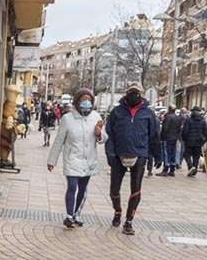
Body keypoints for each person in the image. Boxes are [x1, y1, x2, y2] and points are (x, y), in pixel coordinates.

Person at [103, 83, 161, 235]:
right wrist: (110, 154)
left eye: (137, 92)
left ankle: (129, 221)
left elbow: (154, 136)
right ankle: (117, 211)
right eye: (131, 92)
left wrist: (157, 155)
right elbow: (109, 134)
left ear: (141, 95)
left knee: (136, 189)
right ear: (126, 93)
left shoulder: (148, 113)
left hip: (140, 153)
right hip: (118, 154)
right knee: (114, 189)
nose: (134, 95)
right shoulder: (117, 112)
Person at [47, 89, 104, 229]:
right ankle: (69, 215)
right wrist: (52, 160)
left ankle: (77, 213)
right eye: (83, 99)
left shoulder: (96, 117)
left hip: (88, 158)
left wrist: (99, 134)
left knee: (83, 188)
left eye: (89, 100)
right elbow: (59, 140)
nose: (86, 102)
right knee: (72, 186)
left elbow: (103, 139)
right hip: (72, 157)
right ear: (77, 101)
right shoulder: (68, 118)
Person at [181, 106, 207, 176]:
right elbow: (205, 132)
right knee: (196, 156)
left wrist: (184, 139)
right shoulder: (203, 121)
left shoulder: (188, 120)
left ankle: (190, 167)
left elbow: (185, 131)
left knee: (186, 155)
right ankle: (194, 168)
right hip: (199, 142)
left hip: (189, 141)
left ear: (193, 112)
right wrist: (203, 140)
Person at [159, 105, 182, 176]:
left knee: (166, 153)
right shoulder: (178, 118)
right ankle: (172, 170)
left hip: (167, 138)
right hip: (175, 138)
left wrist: (161, 137)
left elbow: (165, 128)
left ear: (169, 109)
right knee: (173, 153)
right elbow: (179, 129)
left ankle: (165, 169)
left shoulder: (168, 117)